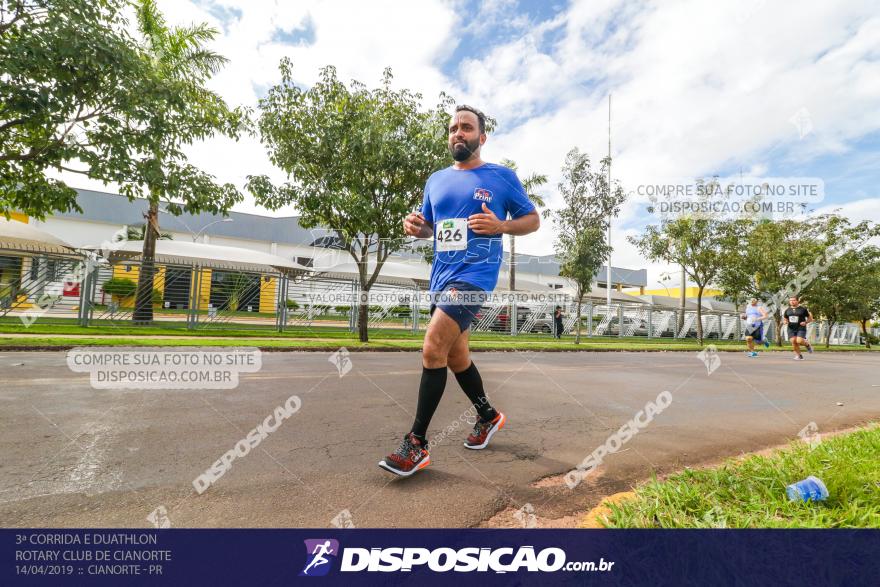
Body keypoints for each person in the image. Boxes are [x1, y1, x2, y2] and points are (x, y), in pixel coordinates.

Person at [378, 105, 540, 476]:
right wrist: (416, 226)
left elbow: (532, 220)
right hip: (442, 276)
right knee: (456, 357)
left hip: (475, 276)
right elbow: (432, 227)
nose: (458, 133)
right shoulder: (435, 180)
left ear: (481, 137)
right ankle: (488, 415)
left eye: (466, 128)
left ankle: (416, 444)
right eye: (453, 128)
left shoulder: (501, 177)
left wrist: (500, 225)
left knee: (433, 346)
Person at [781, 296, 814, 360]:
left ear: (797, 301)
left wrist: (806, 322)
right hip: (791, 328)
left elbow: (810, 318)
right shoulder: (787, 310)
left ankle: (807, 345)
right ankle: (799, 355)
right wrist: (785, 321)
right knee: (793, 341)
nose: (792, 302)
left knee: (799, 341)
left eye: (793, 300)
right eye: (790, 300)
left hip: (800, 328)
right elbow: (785, 318)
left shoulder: (803, 309)